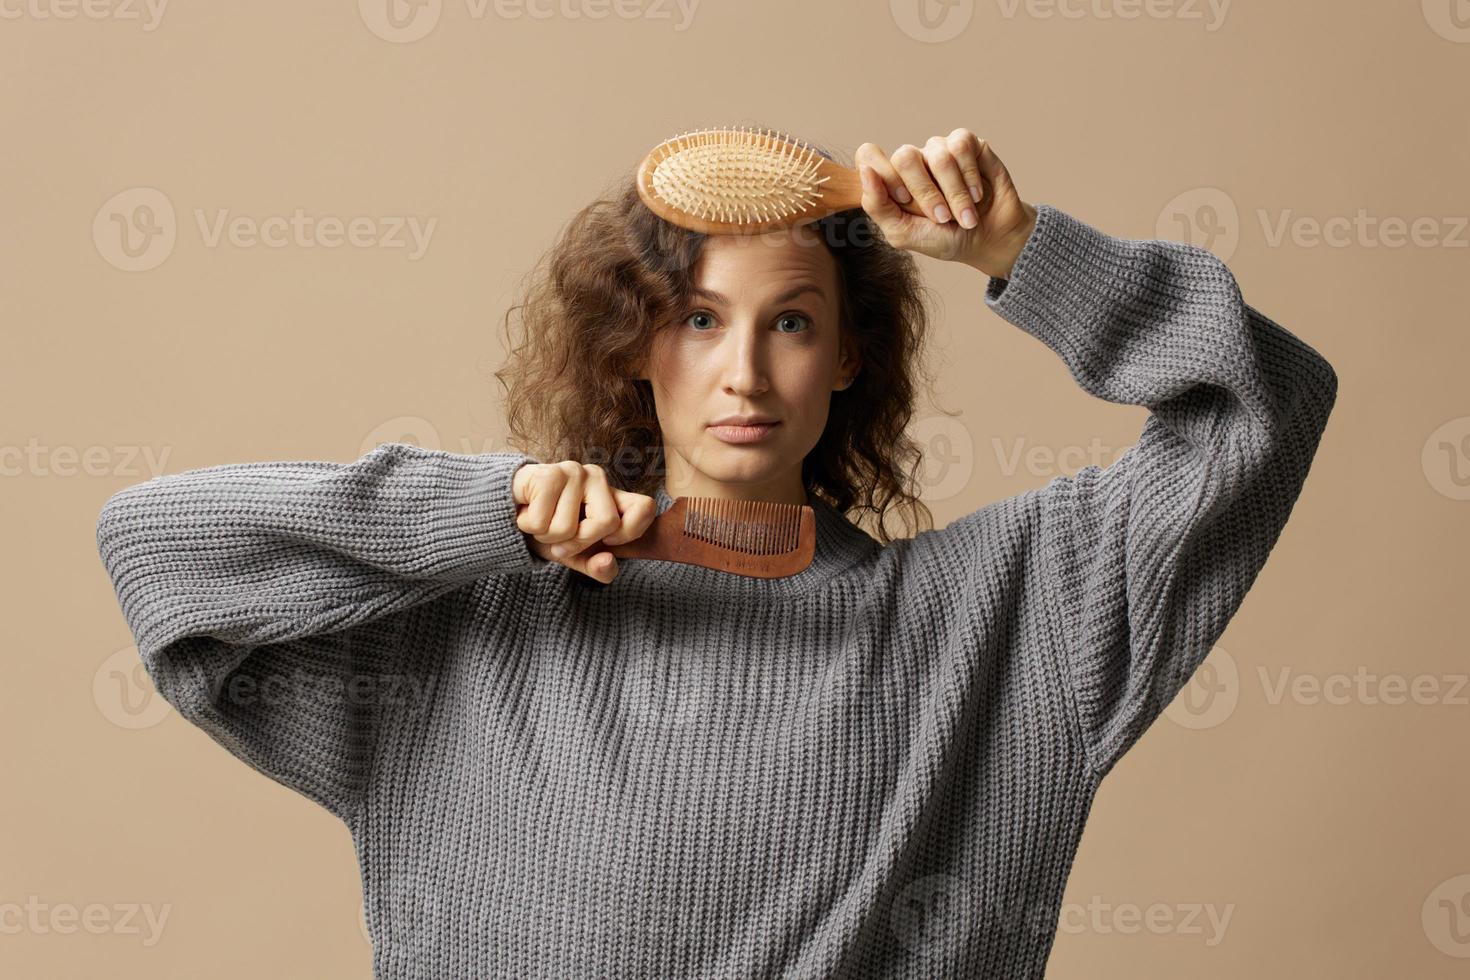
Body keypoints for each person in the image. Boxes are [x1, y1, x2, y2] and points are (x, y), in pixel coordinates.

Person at [95, 127, 1338, 978]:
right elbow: (157, 552)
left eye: (790, 322)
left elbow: (1264, 404)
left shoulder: (1004, 621)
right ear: (636, 345)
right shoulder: (478, 628)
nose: (744, 371)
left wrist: (1023, 251)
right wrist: (489, 513)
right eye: (698, 320)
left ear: (849, 355)